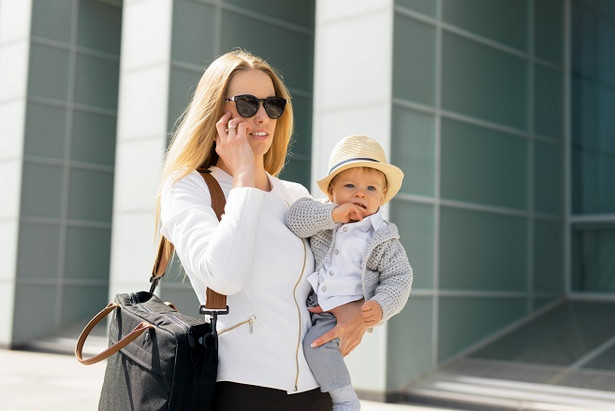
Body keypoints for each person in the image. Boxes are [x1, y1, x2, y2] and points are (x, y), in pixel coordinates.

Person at [156, 49, 368, 410]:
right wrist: (243, 177)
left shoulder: (294, 195)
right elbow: (223, 278)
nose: (262, 116)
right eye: (247, 103)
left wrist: (358, 311)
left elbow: (343, 270)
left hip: (318, 392)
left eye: (272, 105)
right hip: (244, 392)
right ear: (215, 111)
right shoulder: (187, 189)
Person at [286, 135, 413, 410]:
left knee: (317, 346)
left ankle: (345, 399)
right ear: (331, 192)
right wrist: (332, 215)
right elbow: (295, 220)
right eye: (350, 186)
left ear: (381, 198)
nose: (360, 193)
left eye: (370, 188)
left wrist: (380, 306)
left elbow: (400, 277)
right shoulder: (323, 216)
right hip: (311, 305)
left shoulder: (381, 238)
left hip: (341, 309)